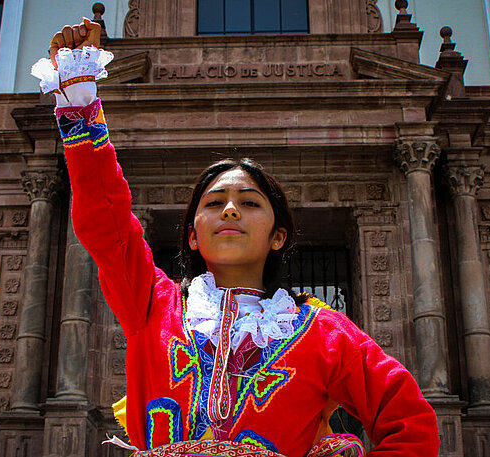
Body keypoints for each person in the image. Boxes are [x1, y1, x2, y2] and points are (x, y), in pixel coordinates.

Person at [32, 18, 440, 457]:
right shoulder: (151, 304)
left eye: (249, 202)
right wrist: (79, 104)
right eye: (213, 203)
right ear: (192, 236)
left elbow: (411, 423)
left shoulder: (325, 334)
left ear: (278, 236)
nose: (229, 209)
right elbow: (105, 221)